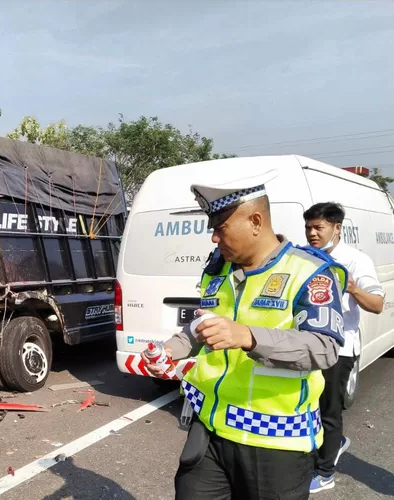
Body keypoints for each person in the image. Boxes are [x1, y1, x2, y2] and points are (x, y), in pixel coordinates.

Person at [145, 170, 347, 500]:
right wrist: (171, 349)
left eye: (220, 229)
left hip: (275, 445)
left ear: (255, 221)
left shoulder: (310, 272)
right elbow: (201, 326)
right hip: (210, 430)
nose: (213, 238)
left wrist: (249, 337)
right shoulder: (218, 269)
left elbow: (324, 349)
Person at [303, 202, 385, 493]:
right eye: (309, 227)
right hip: (307, 345)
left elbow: (377, 304)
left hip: (339, 347)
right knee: (308, 404)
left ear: (337, 228)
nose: (312, 233)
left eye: (318, 228)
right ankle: (324, 447)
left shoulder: (355, 260)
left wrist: (352, 288)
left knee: (329, 410)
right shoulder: (305, 256)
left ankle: (325, 472)